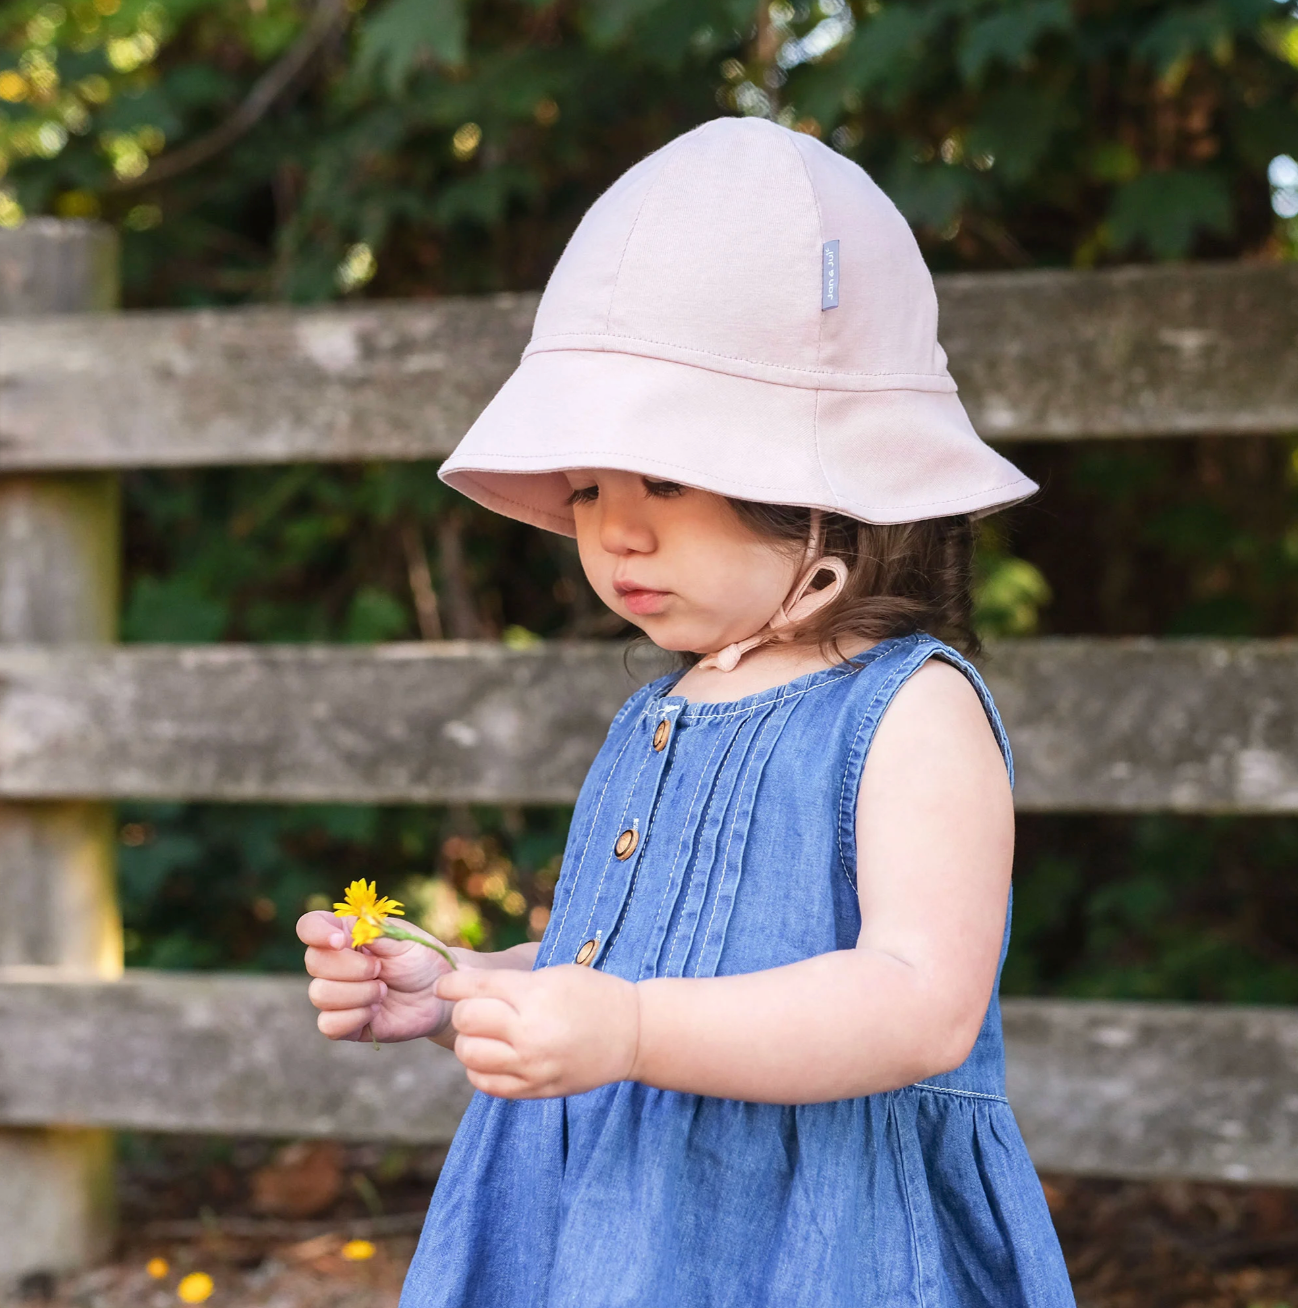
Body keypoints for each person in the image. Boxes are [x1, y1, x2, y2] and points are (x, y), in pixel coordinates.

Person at [297, 116, 1075, 1307]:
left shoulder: (909, 710)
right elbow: (615, 969)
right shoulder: (662, 713)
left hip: (815, 1238)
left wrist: (630, 1033)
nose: (615, 528)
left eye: (665, 475)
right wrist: (465, 986)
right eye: (589, 484)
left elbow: (921, 1002)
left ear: (819, 485)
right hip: (601, 1227)